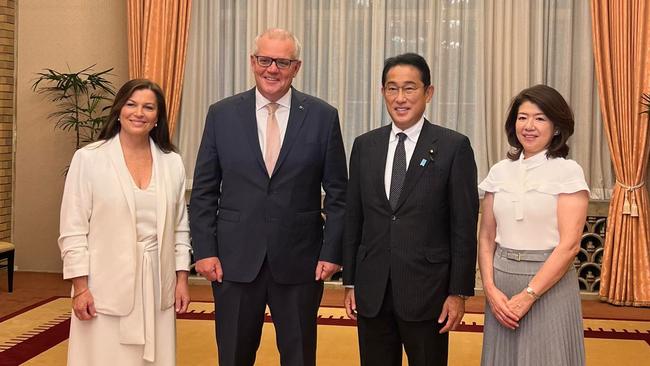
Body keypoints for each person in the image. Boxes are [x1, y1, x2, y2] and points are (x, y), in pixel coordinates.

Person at [189, 28, 347, 366]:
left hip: (301, 262)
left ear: (296, 67)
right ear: (252, 62)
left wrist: (332, 253)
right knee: (233, 355)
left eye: (282, 62)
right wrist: (204, 251)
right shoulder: (222, 114)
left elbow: (338, 195)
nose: (272, 69)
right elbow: (203, 190)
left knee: (299, 355)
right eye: (265, 60)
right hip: (233, 262)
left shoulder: (322, 116)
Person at [342, 53, 479, 366]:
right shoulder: (365, 146)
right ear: (382, 92)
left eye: (409, 88)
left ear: (428, 93)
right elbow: (354, 219)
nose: (400, 98)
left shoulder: (453, 147)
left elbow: (463, 226)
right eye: (392, 89)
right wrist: (350, 283)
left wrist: (458, 292)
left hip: (428, 292)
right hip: (372, 290)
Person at [58, 79, 192, 366]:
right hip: (103, 284)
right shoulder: (89, 159)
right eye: (131, 104)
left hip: (157, 281)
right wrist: (80, 287)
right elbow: (73, 229)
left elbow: (180, 227)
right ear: (119, 110)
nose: (138, 112)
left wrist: (181, 279)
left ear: (158, 117)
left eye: (148, 107)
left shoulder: (172, 163)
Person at [478, 84, 589, 365]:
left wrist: (529, 295)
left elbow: (569, 245)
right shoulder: (499, 171)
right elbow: (486, 237)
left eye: (540, 118)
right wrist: (490, 289)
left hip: (549, 283)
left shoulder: (567, 171)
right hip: (501, 284)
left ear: (556, 127)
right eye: (522, 117)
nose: (529, 125)